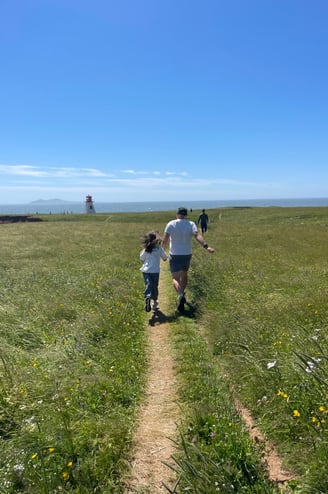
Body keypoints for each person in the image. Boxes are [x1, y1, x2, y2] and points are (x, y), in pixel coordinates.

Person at [162, 207, 214, 312]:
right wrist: (206, 246)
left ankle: (180, 295)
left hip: (175, 254)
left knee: (175, 278)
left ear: (177, 214)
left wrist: (162, 252)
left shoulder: (171, 224)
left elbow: (165, 239)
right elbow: (197, 236)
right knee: (184, 275)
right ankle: (182, 293)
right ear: (186, 215)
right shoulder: (191, 224)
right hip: (186, 254)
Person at [140, 231, 168, 312]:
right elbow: (165, 258)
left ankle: (147, 296)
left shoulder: (146, 249)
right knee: (154, 286)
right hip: (155, 271)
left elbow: (141, 259)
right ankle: (155, 302)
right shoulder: (159, 248)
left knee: (148, 284)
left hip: (146, 270)